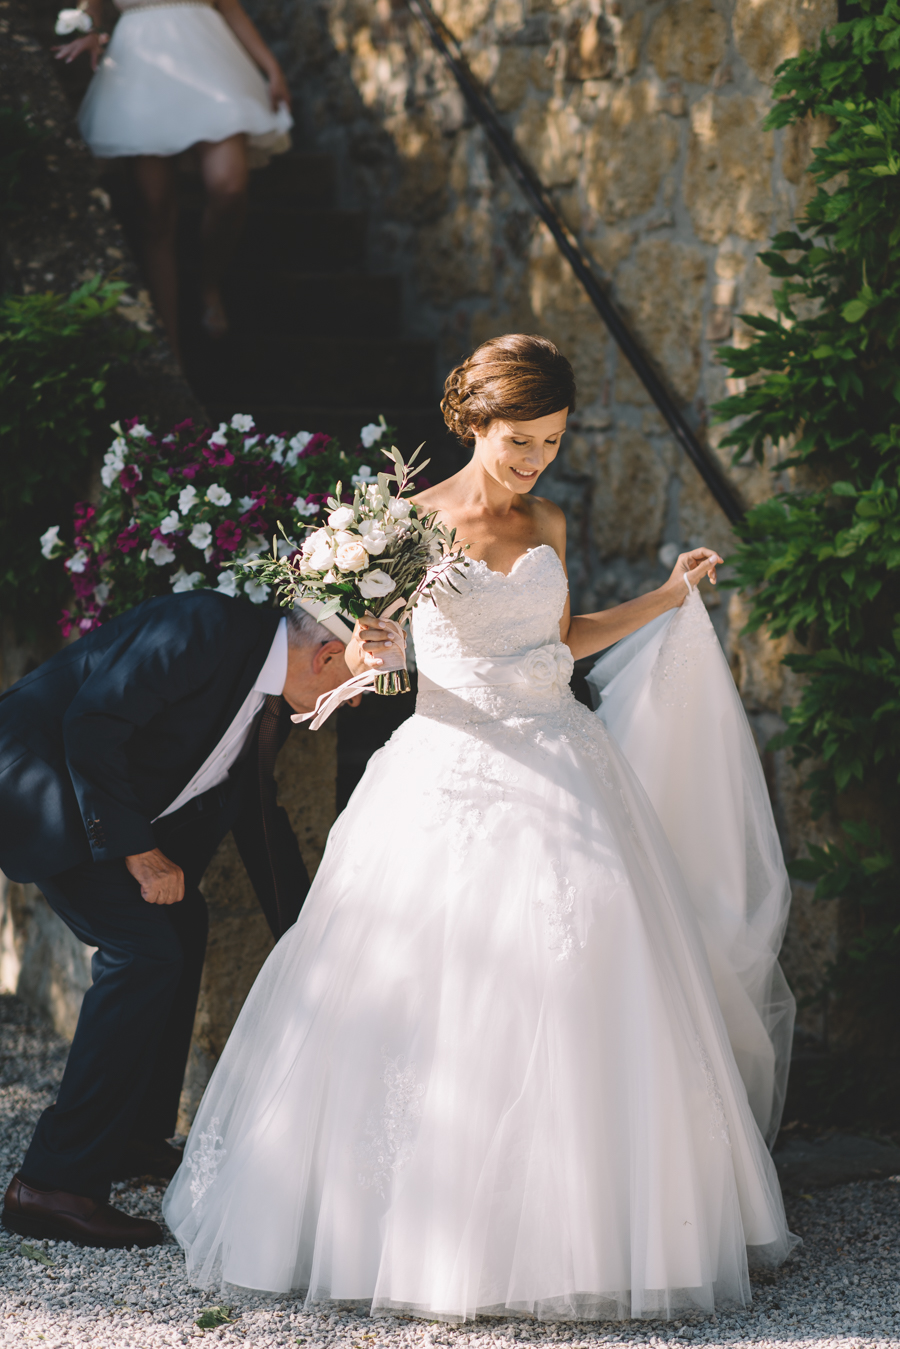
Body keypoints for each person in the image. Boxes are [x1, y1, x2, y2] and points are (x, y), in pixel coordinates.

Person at [163, 334, 798, 1321]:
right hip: (452, 768)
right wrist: (369, 647)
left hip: (568, 757)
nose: (535, 458)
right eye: (519, 439)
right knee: (432, 991)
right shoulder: (411, 524)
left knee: (592, 972)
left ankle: (597, 1224)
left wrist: (669, 596)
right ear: (473, 423)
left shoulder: (545, 513)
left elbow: (558, 638)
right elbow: (377, 655)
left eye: (550, 440)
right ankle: (432, 1240)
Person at [0, 592, 368, 1248]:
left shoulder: (269, 702)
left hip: (95, 801)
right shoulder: (205, 629)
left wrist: (311, 935)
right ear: (327, 655)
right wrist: (141, 856)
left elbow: (261, 821)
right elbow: (91, 722)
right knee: (145, 952)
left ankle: (130, 1137)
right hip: (43, 781)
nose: (358, 702)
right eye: (358, 684)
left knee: (184, 923)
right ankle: (52, 1182)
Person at [54, 0, 293, 356]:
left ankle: (208, 282)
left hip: (211, 59)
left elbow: (229, 7)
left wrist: (272, 68)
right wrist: (90, 32)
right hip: (140, 65)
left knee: (229, 186)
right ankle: (171, 347)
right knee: (155, 213)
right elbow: (92, 6)